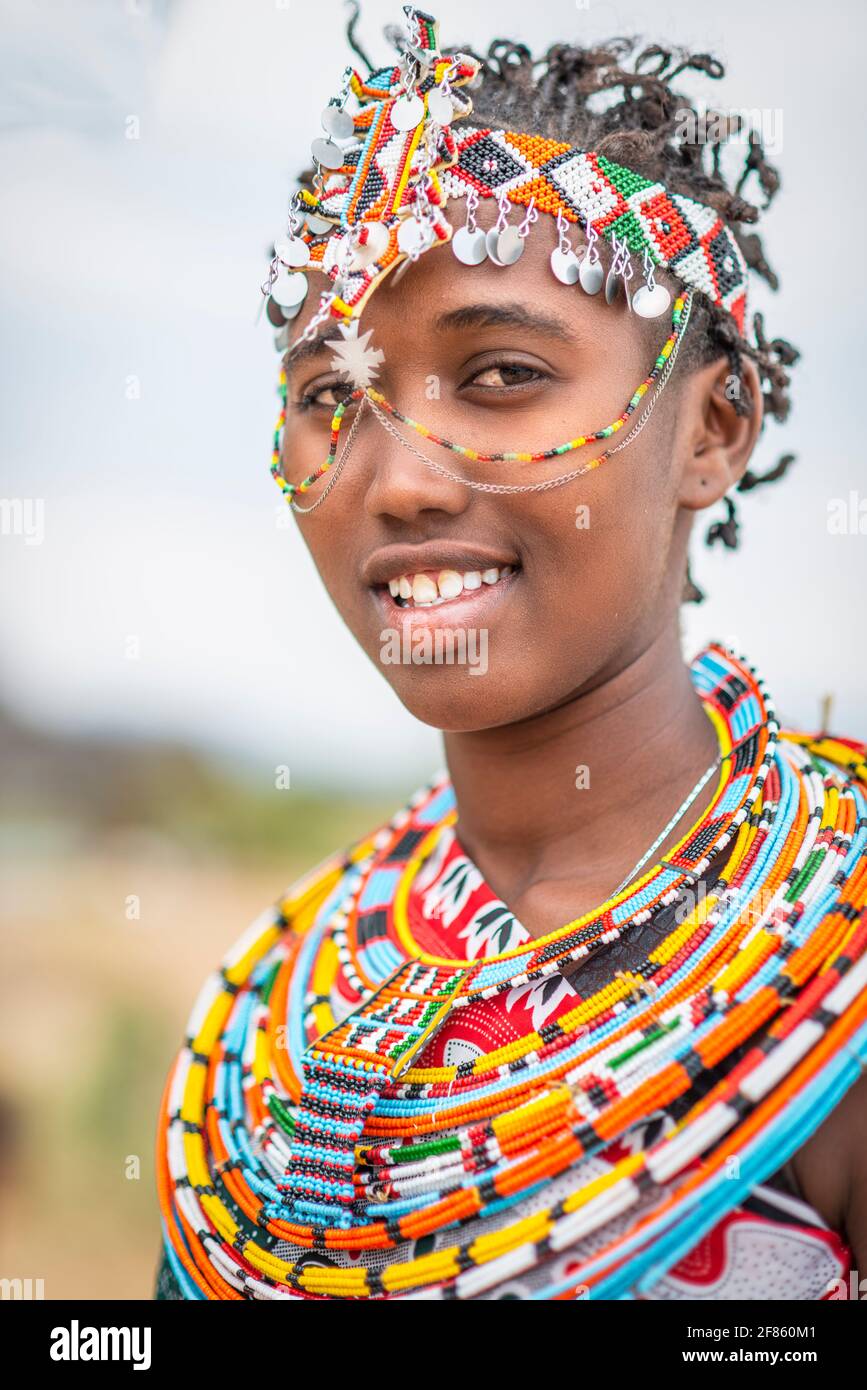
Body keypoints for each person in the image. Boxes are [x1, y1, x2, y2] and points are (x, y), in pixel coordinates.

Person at [154, 5, 867, 1300]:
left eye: (498, 374)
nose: (399, 477)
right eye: (329, 396)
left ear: (712, 427)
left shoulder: (842, 967)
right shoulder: (270, 1035)